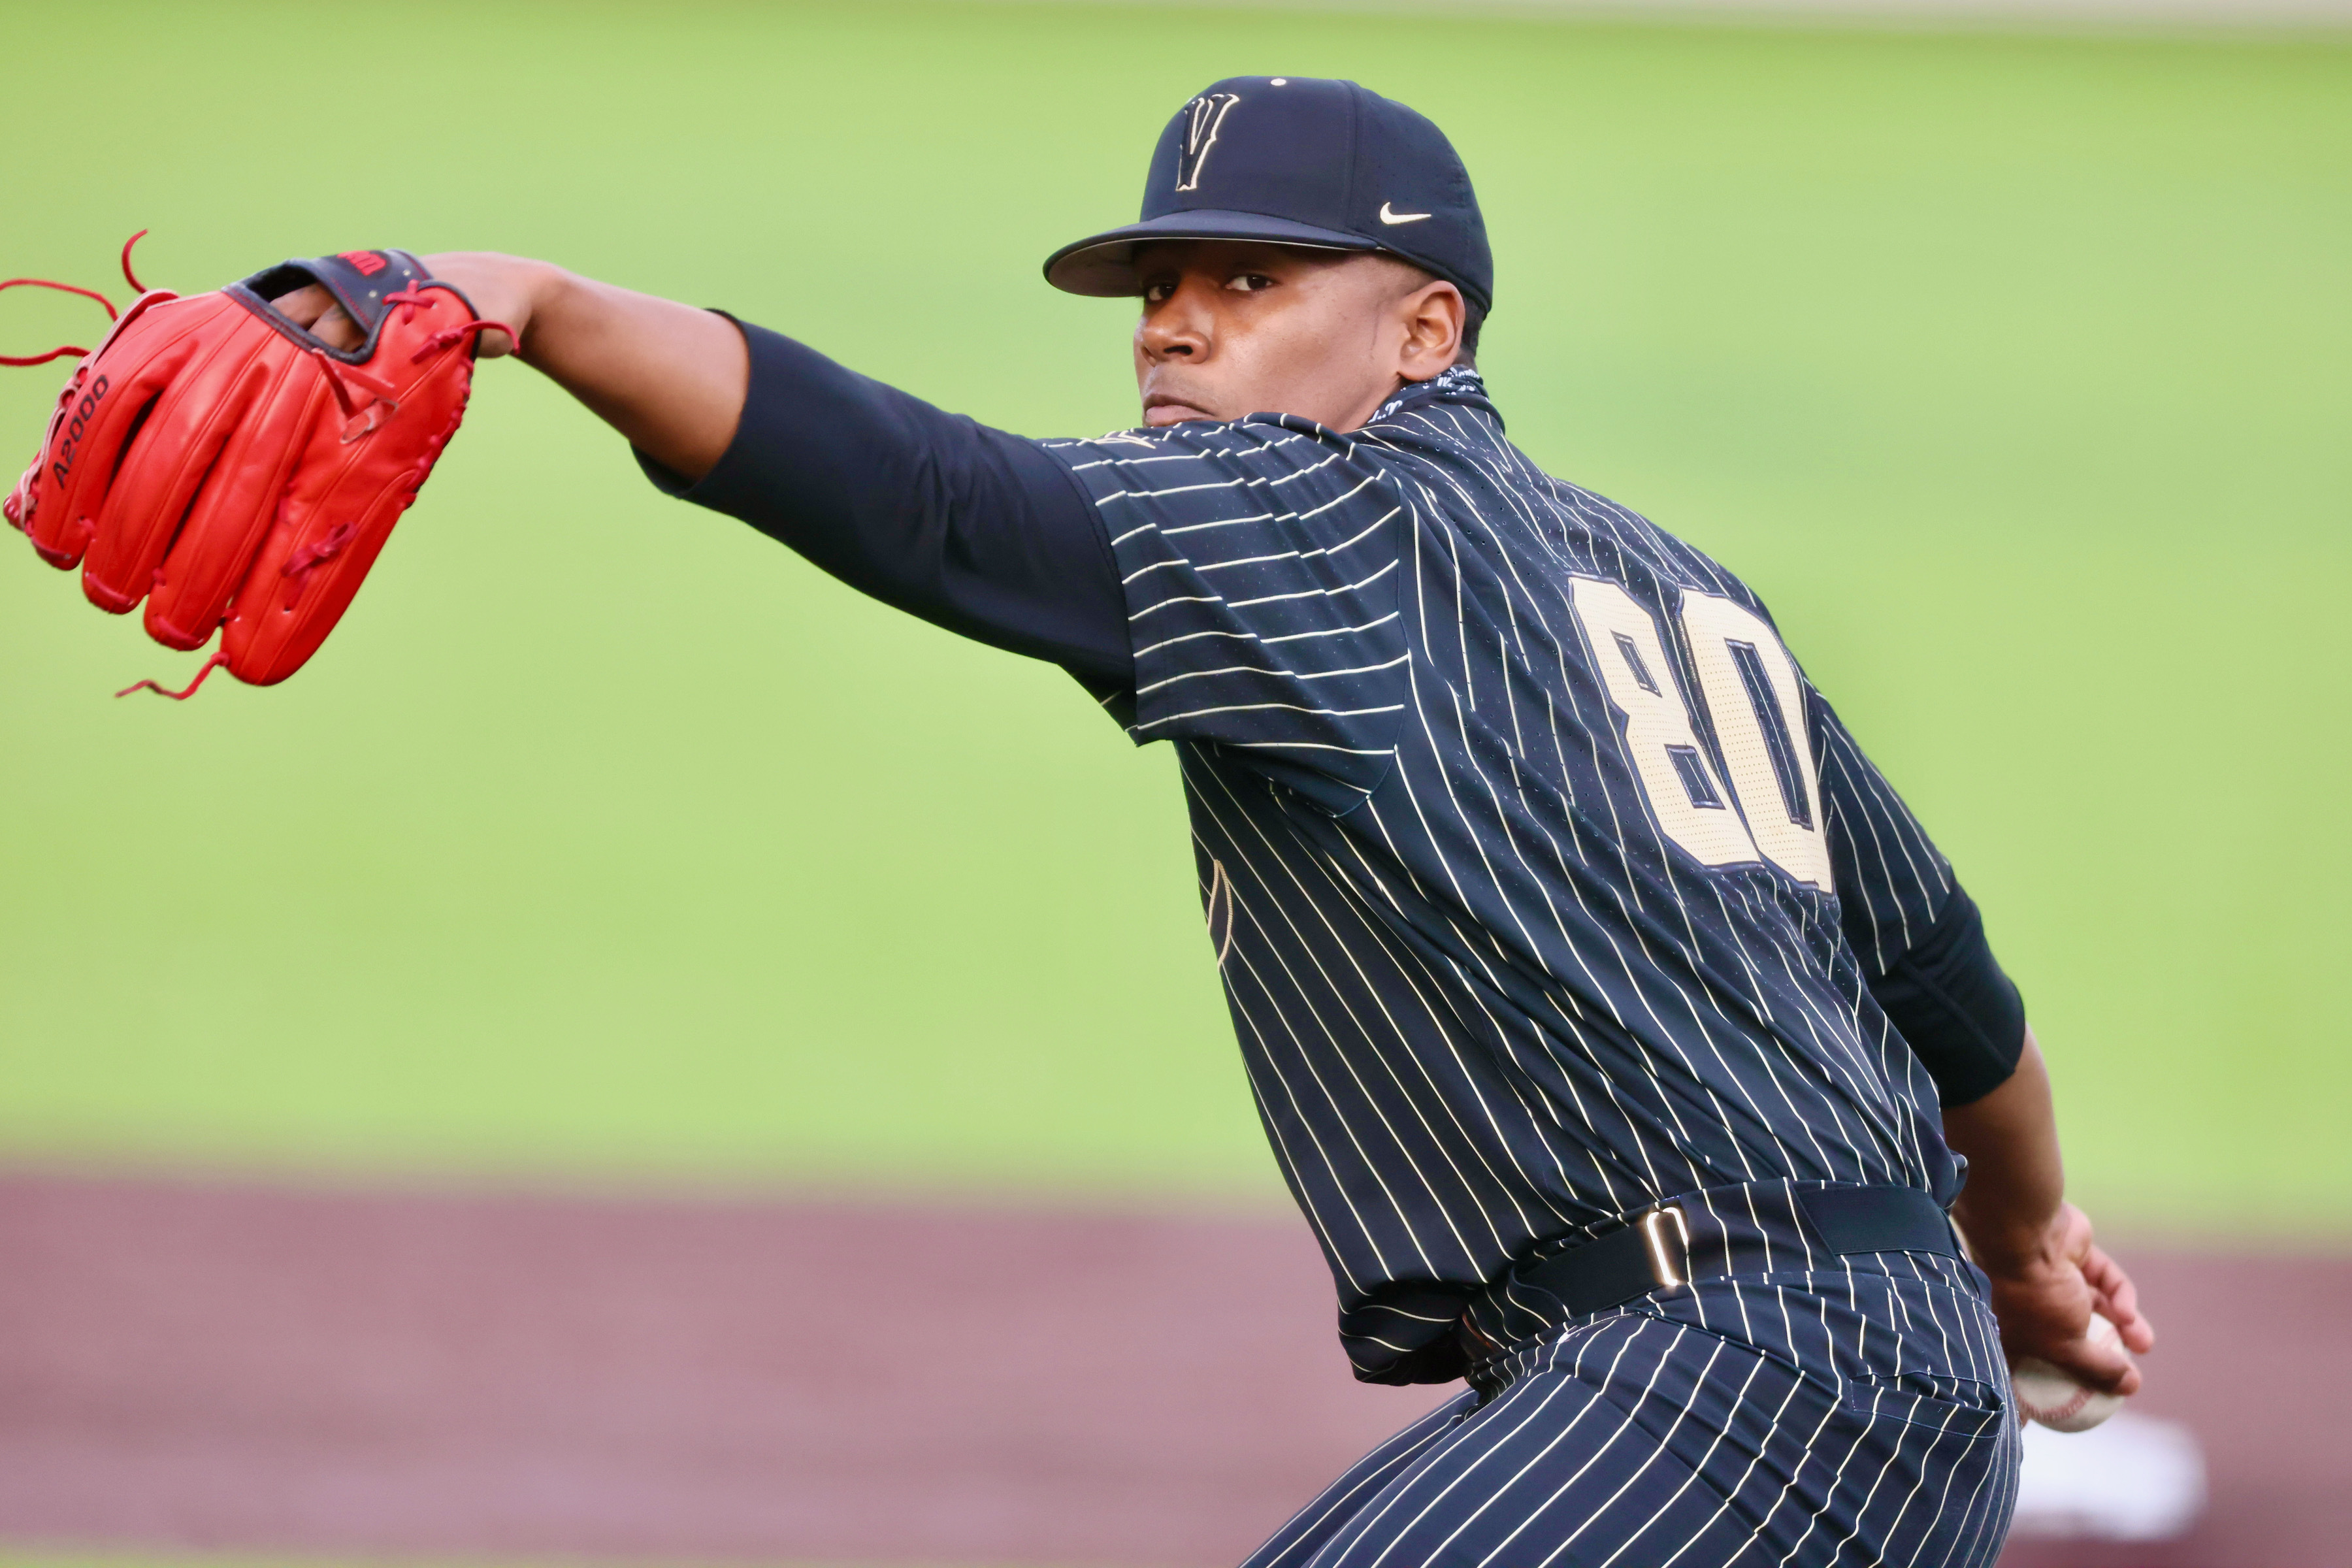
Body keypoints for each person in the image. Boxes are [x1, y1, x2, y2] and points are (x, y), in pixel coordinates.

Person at [279, 76, 2151, 1568]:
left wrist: (531, 303)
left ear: (1426, 332)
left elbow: (932, 502)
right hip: (1851, 1385)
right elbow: (1953, 991)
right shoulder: (1676, 589)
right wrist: (2022, 1244)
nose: (1174, 327)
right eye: (1162, 289)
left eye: (1250, 282)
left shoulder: (1316, 520)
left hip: (1728, 1389)